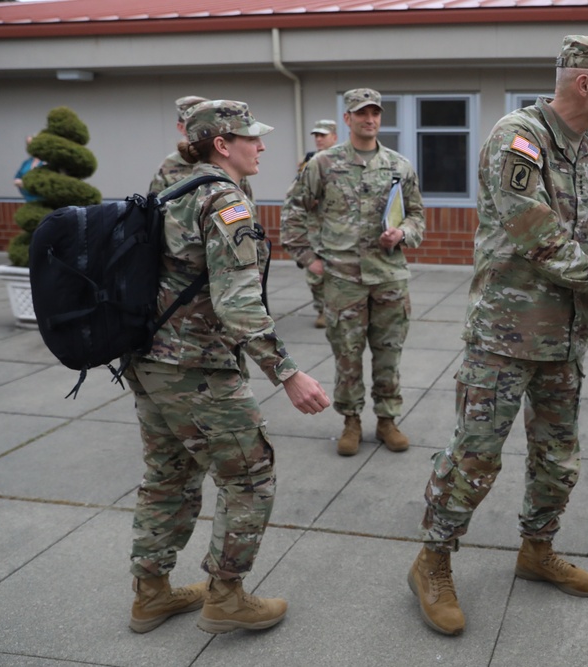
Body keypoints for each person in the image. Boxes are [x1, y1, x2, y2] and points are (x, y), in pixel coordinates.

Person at [407, 35, 588, 636]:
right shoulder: (518, 138)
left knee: (558, 460)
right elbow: (535, 234)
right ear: (584, 82)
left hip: (565, 340)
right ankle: (431, 561)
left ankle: (537, 551)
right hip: (505, 337)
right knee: (474, 458)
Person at [125, 99, 330, 636]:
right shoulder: (222, 200)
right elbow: (238, 305)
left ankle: (150, 594)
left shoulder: (172, 182)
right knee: (251, 478)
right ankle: (226, 595)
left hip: (149, 359)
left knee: (168, 477)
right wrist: (288, 373)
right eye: (251, 138)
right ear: (222, 144)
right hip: (198, 368)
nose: (262, 146)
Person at [280, 88, 424, 457]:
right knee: (347, 354)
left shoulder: (399, 165)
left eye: (375, 113)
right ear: (347, 119)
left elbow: (417, 216)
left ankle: (388, 419)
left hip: (389, 276)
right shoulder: (324, 164)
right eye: (362, 113)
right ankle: (351, 420)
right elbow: (294, 210)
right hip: (342, 279)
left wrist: (403, 233)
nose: (370, 119)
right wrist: (308, 258)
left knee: (388, 354)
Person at [149, 95, 254, 200]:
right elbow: (155, 208)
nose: (201, 130)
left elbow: (248, 205)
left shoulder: (226, 161)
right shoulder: (169, 166)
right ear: (181, 127)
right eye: (193, 125)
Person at [296, 118, 340, 329]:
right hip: (315, 225)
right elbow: (298, 191)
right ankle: (322, 310)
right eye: (316, 135)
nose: (319, 139)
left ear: (334, 137)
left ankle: (339, 308)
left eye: (323, 135)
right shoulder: (309, 160)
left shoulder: (342, 160)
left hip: (337, 225)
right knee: (315, 271)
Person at [13, 135, 43, 202]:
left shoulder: (46, 162)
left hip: (44, 202)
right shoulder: (27, 162)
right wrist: (20, 182)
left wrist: (25, 183)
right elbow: (16, 178)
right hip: (28, 201)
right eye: (28, 144)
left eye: (32, 144)